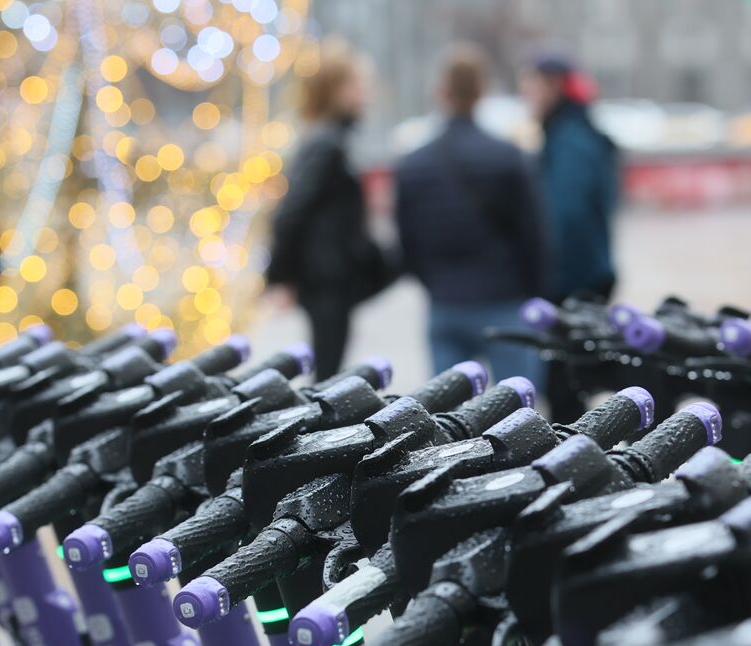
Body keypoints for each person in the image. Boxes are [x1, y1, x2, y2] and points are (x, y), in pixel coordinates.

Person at [395, 43, 545, 387]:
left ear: (440, 92)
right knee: (517, 418)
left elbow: (407, 241)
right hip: (505, 301)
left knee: (449, 421)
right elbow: (534, 237)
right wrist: (532, 290)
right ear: (483, 91)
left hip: (446, 302)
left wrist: (435, 283)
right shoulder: (509, 158)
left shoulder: (413, 165)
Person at [265, 40, 394, 378]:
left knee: (329, 371)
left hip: (333, 278)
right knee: (326, 377)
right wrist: (280, 277)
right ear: (334, 90)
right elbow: (291, 212)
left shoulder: (332, 139)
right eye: (357, 84)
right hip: (324, 280)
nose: (366, 93)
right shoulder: (325, 143)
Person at [519, 52, 620, 417]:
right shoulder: (566, 134)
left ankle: (575, 465)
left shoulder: (571, 140)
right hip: (577, 278)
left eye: (530, 84)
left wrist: (541, 277)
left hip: (572, 284)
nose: (525, 94)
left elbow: (565, 217)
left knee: (564, 390)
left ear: (553, 86)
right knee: (566, 388)